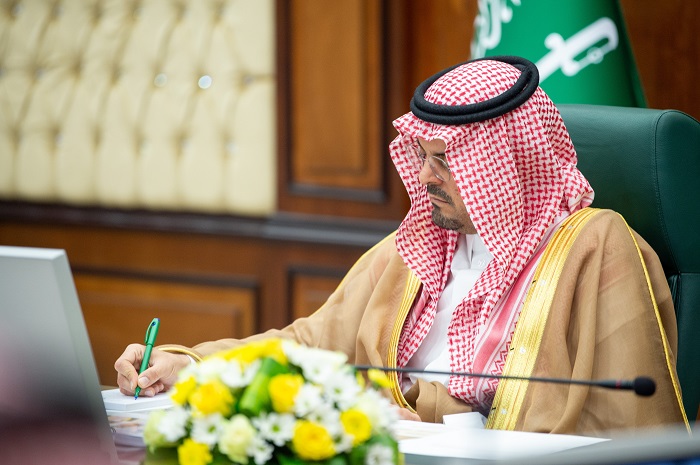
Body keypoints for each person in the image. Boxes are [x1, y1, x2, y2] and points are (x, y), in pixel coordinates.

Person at [115, 56, 689, 436]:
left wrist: (433, 415)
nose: (426, 177)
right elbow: (311, 344)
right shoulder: (415, 245)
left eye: (447, 161)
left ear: (507, 164)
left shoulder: (594, 245)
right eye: (422, 157)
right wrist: (189, 364)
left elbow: (625, 424)